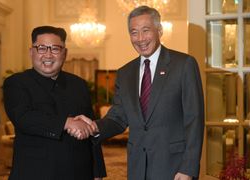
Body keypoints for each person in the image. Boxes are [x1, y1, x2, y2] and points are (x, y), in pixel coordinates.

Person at [70, 5, 204, 180]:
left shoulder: (184, 64)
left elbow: (194, 120)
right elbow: (117, 118)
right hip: (137, 168)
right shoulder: (125, 73)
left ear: (160, 30)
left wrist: (188, 168)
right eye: (134, 32)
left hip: (174, 168)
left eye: (146, 30)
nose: (140, 39)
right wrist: (93, 127)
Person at [3, 26, 106, 180]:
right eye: (42, 48)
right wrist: (67, 123)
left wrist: (97, 172)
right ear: (31, 52)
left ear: (65, 53)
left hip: (79, 172)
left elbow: (90, 128)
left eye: (55, 49)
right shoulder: (17, 83)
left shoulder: (79, 84)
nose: (48, 55)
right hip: (36, 172)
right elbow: (23, 118)